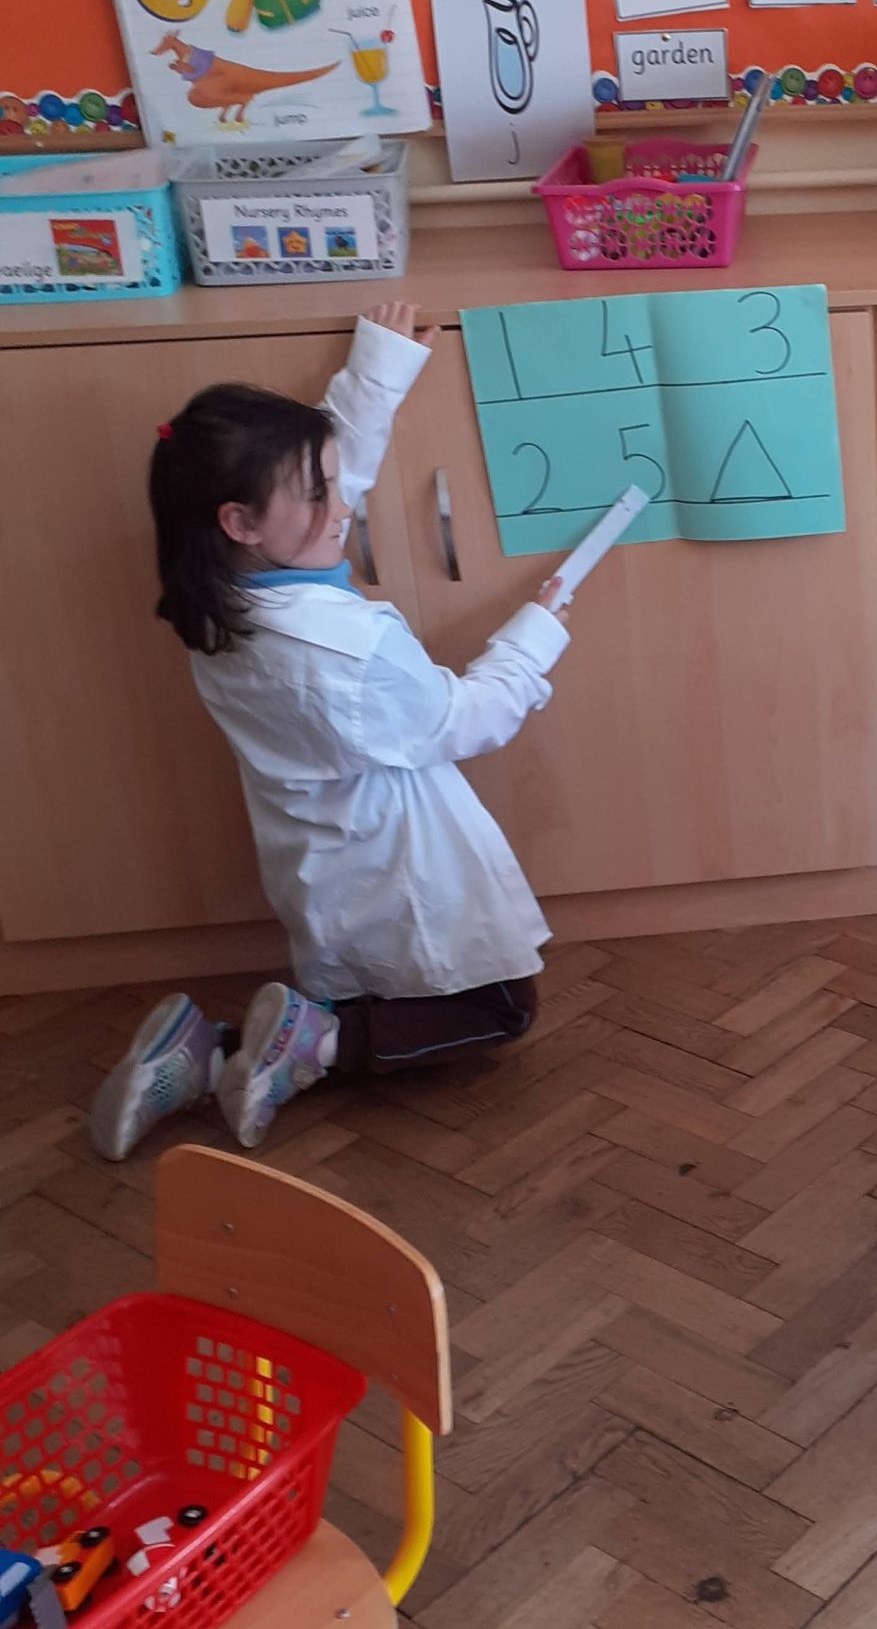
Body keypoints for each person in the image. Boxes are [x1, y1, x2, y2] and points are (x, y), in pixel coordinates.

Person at [90, 302, 571, 1161]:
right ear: (240, 521)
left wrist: (378, 369)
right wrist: (534, 634)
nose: (343, 504)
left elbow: (328, 471)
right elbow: (463, 719)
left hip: (317, 854)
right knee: (501, 1009)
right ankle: (309, 1046)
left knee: (363, 987)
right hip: (394, 859)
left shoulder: (219, 598)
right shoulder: (344, 650)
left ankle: (205, 1053)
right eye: (319, 494)